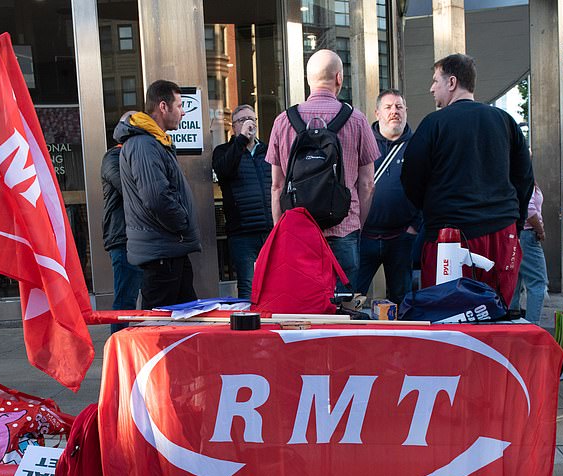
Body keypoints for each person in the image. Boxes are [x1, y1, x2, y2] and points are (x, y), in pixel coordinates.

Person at [401, 53, 534, 305]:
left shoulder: (433, 124)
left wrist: (430, 211)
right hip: (501, 234)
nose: (431, 88)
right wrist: (514, 222)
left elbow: (411, 178)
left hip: (449, 238)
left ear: (451, 82)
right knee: (496, 312)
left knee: (447, 316)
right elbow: (524, 178)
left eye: (435, 81)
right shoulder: (505, 121)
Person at [267, 49, 379, 290]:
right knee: (343, 308)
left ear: (309, 79)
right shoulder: (357, 120)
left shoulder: (283, 121)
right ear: (339, 78)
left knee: (304, 304)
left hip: (298, 231)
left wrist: (281, 228)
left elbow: (277, 186)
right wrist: (355, 222)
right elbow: (367, 184)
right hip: (344, 229)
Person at [115, 80, 201, 309]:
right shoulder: (144, 144)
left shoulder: (155, 142)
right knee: (159, 330)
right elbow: (156, 197)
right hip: (162, 253)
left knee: (184, 324)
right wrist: (182, 223)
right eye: (180, 106)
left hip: (169, 250)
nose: (183, 112)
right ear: (163, 107)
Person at [356, 89, 421, 304]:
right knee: (351, 300)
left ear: (406, 112)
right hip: (363, 238)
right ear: (377, 113)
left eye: (399, 107)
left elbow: (429, 189)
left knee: (402, 303)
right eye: (388, 107)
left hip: (402, 238)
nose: (394, 111)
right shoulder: (362, 145)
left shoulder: (418, 146)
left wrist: (415, 226)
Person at [212, 104, 273, 299]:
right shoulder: (224, 151)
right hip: (242, 233)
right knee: (247, 287)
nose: (249, 124)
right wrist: (240, 142)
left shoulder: (268, 150)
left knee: (274, 284)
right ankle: (248, 328)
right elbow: (224, 170)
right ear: (233, 126)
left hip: (270, 230)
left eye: (252, 120)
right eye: (243, 120)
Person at [101, 111, 142, 333]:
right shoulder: (112, 157)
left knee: (145, 302)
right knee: (125, 301)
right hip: (123, 238)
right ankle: (118, 350)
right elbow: (130, 188)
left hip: (140, 237)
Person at [510, 182, 549, 325]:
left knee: (515, 282)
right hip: (528, 236)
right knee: (537, 282)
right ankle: (533, 326)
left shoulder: (512, 178)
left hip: (514, 234)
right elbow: (530, 211)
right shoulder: (525, 180)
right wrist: (540, 230)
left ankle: (512, 321)